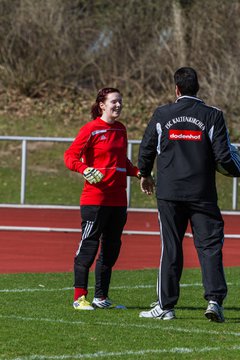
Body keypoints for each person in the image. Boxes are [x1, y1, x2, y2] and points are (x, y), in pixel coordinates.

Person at [138, 67, 240, 322]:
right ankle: (214, 301)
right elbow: (224, 156)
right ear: (198, 87)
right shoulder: (213, 116)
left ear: (176, 89)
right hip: (202, 193)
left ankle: (166, 307)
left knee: (170, 247)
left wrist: (145, 174)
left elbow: (147, 147)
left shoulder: (162, 114)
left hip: (170, 193)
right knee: (209, 247)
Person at [64, 87, 140, 310]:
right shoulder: (91, 129)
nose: (118, 105)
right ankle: (80, 298)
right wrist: (84, 169)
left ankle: (101, 298)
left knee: (111, 249)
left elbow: (121, 161)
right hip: (95, 200)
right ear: (102, 105)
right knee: (88, 247)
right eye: (114, 102)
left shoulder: (121, 129)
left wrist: (137, 173)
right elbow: (70, 156)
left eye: (120, 101)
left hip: (118, 200)